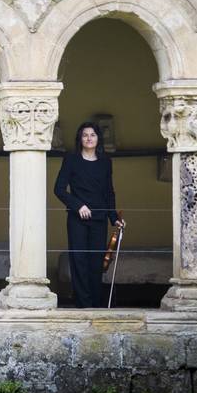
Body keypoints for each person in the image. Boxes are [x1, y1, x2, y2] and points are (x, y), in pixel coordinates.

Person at [54, 121, 124, 308]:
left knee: (96, 262)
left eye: (93, 135)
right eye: (85, 135)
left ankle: (95, 305)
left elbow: (109, 192)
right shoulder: (71, 159)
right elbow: (59, 189)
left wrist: (114, 218)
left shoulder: (105, 162)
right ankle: (82, 304)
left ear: (98, 138)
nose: (89, 138)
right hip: (77, 219)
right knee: (79, 260)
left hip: (99, 219)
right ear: (80, 139)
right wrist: (78, 206)